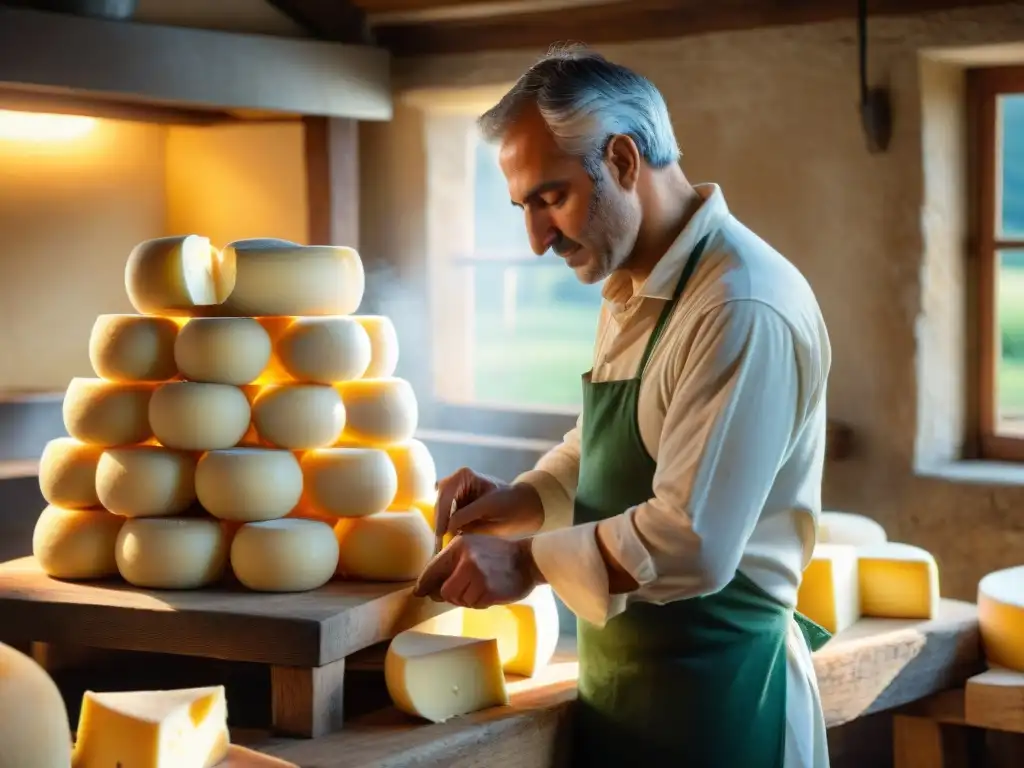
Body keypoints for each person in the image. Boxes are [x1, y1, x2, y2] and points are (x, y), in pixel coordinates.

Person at [413, 44, 832, 768]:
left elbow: (692, 542)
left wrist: (527, 564)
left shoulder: (741, 305)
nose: (536, 237)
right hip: (627, 696)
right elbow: (605, 444)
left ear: (625, 161)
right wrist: (525, 496)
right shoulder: (632, 285)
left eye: (550, 198)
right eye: (524, 207)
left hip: (724, 704)